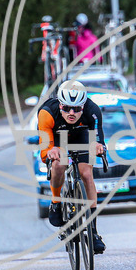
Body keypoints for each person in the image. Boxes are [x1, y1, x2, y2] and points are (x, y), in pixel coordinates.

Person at [37, 80, 108, 254]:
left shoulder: (93, 111)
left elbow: (98, 139)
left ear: (83, 106)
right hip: (57, 137)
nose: (71, 113)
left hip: (82, 135)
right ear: (60, 104)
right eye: (67, 108)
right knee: (59, 163)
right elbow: (45, 150)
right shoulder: (47, 113)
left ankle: (93, 232)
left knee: (87, 174)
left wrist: (98, 145)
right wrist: (50, 151)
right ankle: (56, 202)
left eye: (76, 109)